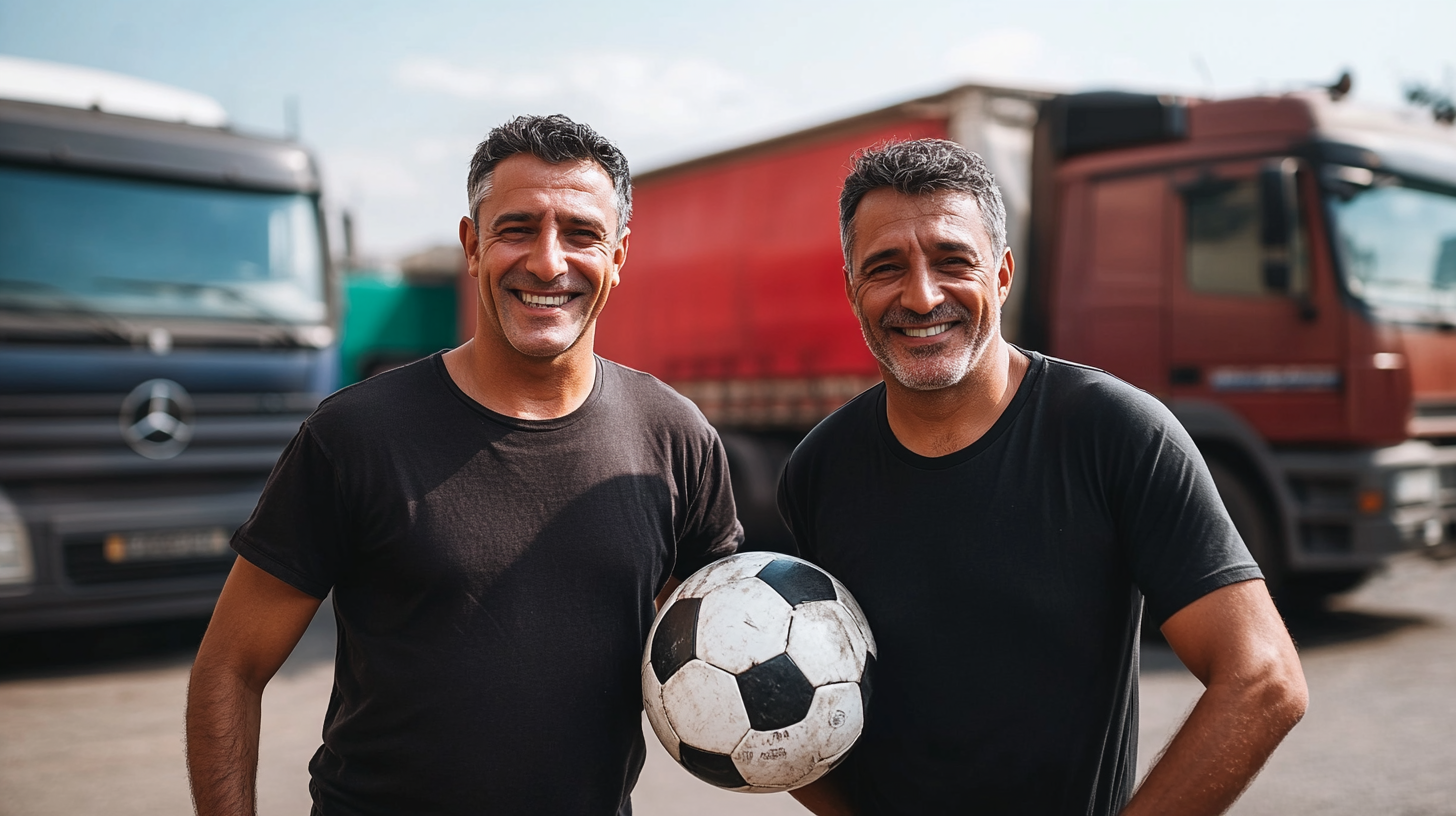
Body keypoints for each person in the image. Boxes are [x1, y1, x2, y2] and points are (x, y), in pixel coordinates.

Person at [185, 114, 742, 816]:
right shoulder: (355, 435)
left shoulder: (674, 436)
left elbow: (733, 639)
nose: (547, 262)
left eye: (580, 233)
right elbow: (228, 669)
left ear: (619, 257)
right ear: (472, 245)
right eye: (517, 228)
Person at [777, 139, 1307, 816]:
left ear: (1001, 275)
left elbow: (1263, 679)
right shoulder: (820, 469)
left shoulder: (1115, 433)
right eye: (885, 268)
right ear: (853, 288)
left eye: (952, 261)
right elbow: (802, 698)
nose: (922, 294)